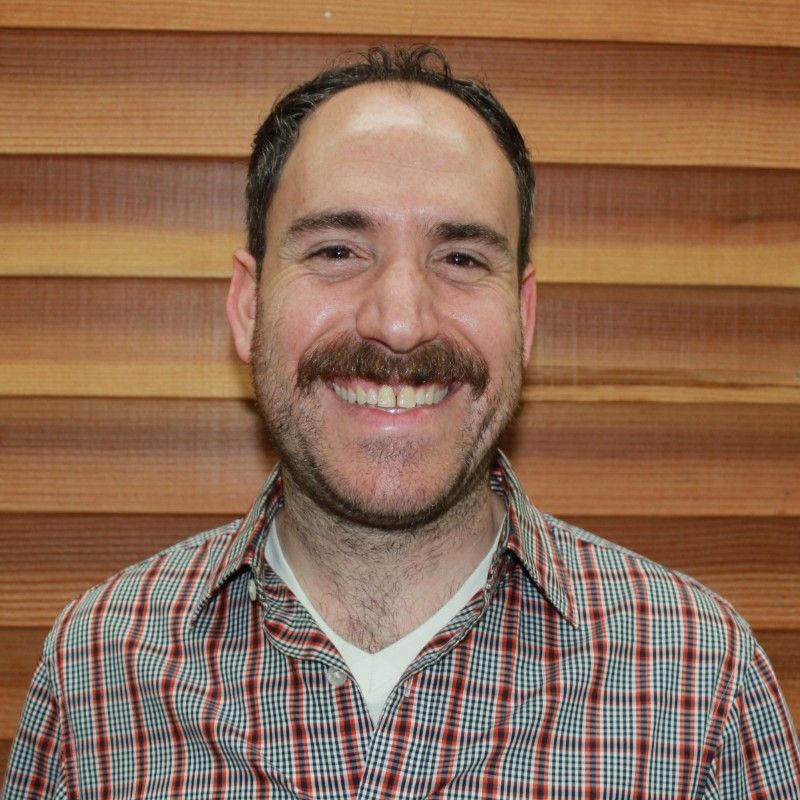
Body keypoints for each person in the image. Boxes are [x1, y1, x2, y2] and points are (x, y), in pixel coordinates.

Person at [4, 46, 799, 800]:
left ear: (523, 317)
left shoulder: (702, 685)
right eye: (339, 250)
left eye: (459, 259)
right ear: (248, 307)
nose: (399, 321)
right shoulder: (94, 675)